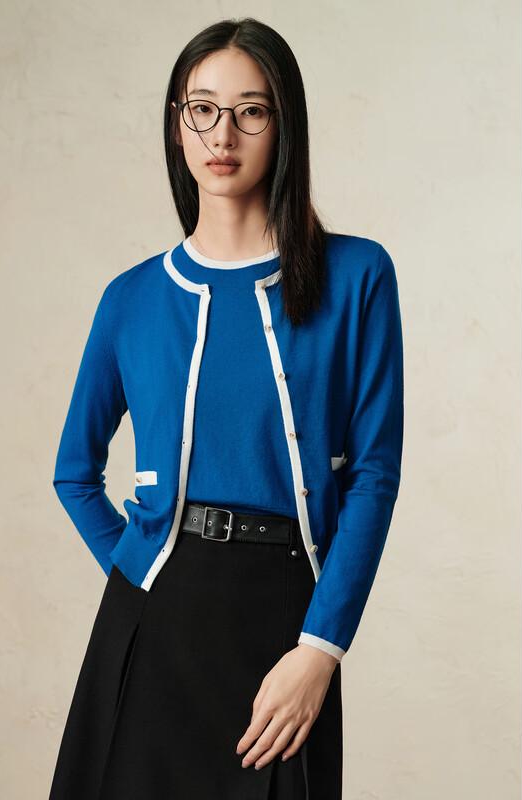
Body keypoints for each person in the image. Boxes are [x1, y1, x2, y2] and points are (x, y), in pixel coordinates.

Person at [48, 16, 404, 800]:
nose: (223, 133)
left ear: (285, 125)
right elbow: (74, 473)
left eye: (252, 110)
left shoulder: (357, 277)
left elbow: (374, 475)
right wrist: (142, 574)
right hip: (150, 624)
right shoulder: (131, 298)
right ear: (177, 124)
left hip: (284, 625)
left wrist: (321, 648)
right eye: (202, 108)